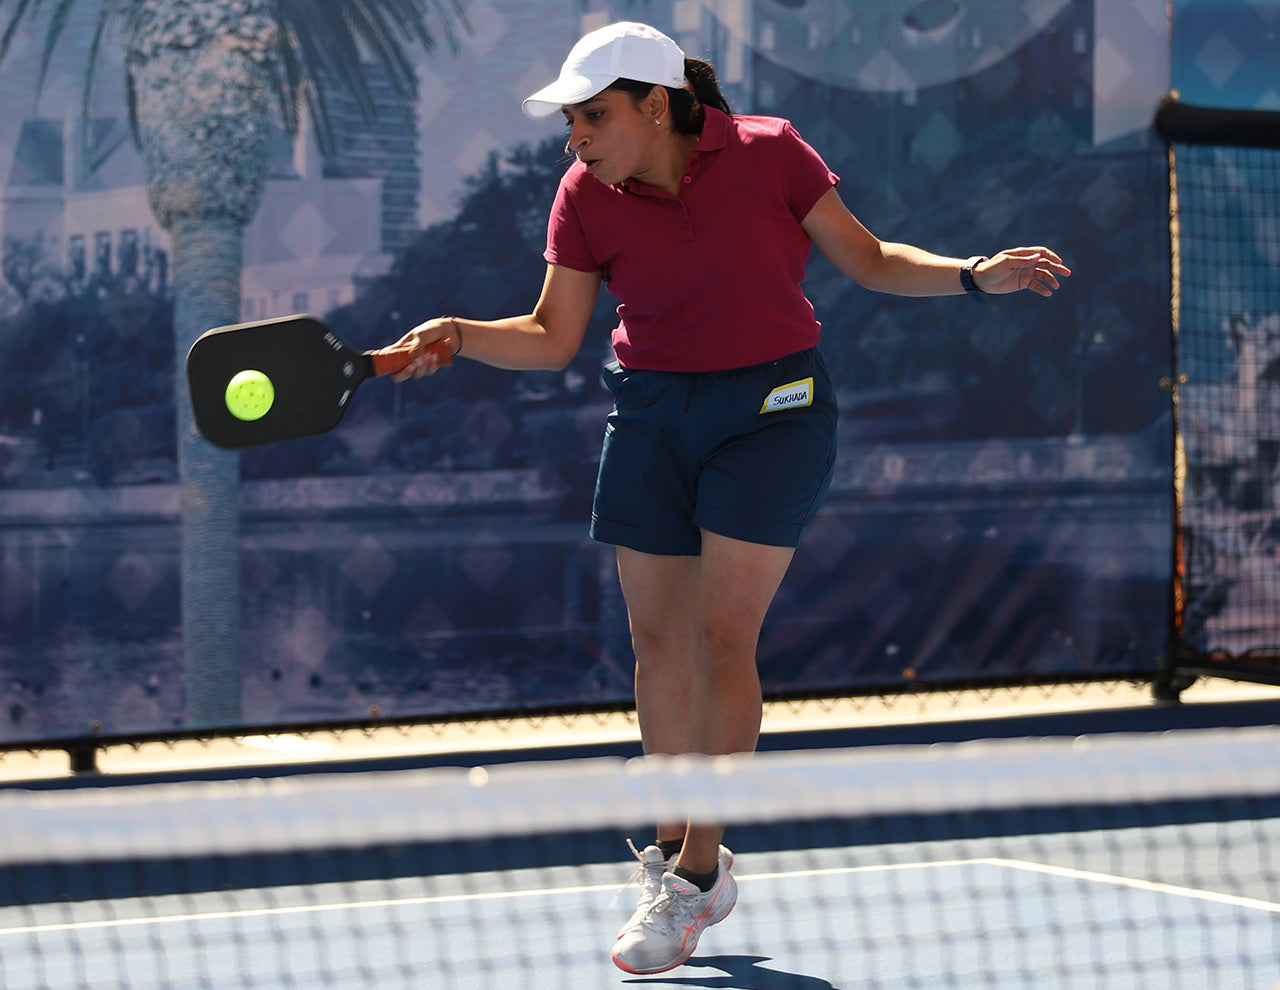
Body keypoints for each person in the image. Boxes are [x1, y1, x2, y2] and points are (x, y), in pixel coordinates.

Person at [393, 21, 1071, 975]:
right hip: (653, 414)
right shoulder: (584, 194)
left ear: (658, 105)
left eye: (594, 115)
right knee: (660, 645)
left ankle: (695, 876)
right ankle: (679, 861)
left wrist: (971, 274)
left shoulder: (770, 152)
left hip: (773, 409)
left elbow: (870, 259)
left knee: (722, 636)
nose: (575, 136)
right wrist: (460, 334)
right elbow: (551, 337)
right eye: (571, 120)